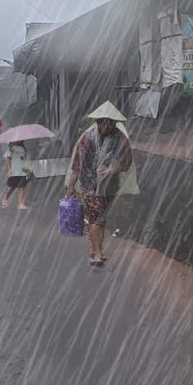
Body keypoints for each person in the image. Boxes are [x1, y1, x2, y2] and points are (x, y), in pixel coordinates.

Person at [65, 102, 136, 266]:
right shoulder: (87, 138)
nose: (105, 125)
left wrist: (112, 169)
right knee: (95, 217)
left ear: (114, 123)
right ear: (97, 122)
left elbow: (126, 162)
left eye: (108, 122)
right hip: (88, 184)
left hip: (109, 185)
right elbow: (77, 163)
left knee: (100, 219)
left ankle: (96, 249)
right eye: (102, 121)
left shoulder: (120, 139)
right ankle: (97, 253)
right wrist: (70, 187)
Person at [1, 140, 32, 210]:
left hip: (22, 171)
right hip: (14, 171)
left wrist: (26, 155)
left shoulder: (24, 149)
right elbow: (8, 159)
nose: (19, 141)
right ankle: (5, 198)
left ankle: (20, 204)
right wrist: (9, 169)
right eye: (18, 139)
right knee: (12, 187)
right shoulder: (11, 148)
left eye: (21, 140)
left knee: (21, 187)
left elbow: (25, 158)